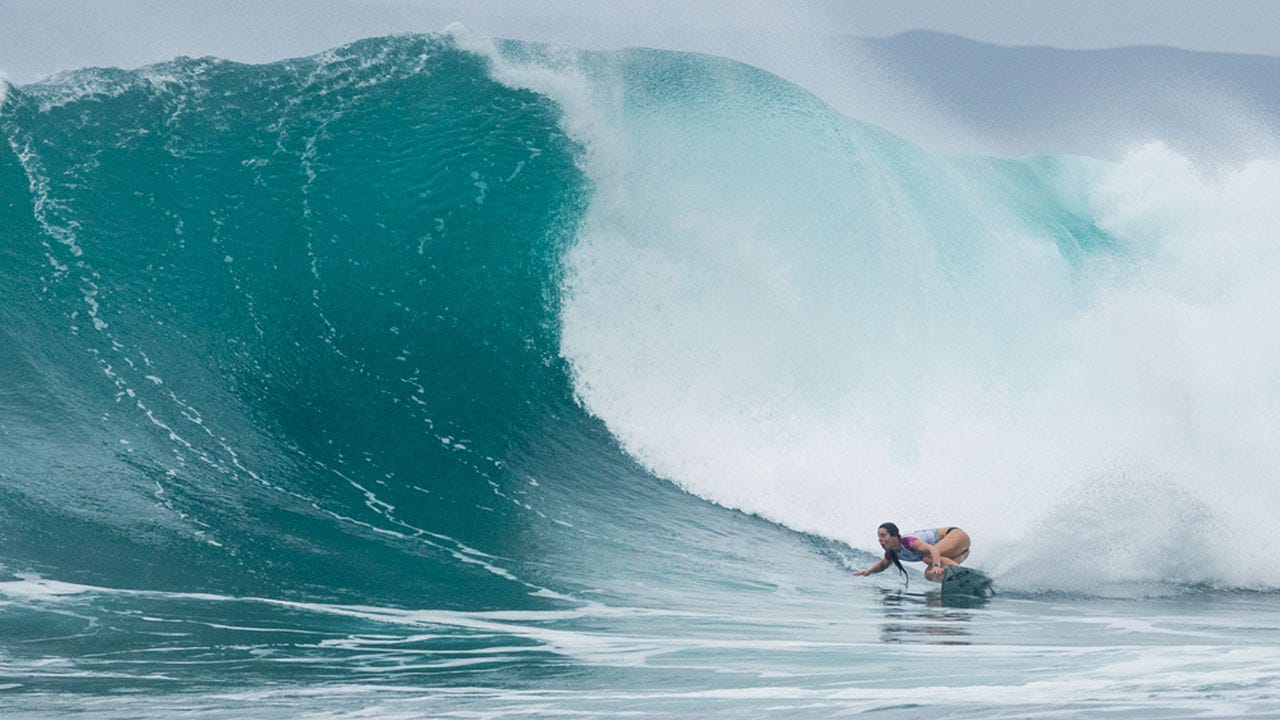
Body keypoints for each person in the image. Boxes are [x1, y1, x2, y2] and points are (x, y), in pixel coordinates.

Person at [854, 522, 971, 583]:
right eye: (879, 537)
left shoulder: (908, 542)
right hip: (959, 552)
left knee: (927, 558)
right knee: (930, 574)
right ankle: (958, 582)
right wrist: (868, 571)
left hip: (956, 536)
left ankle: (967, 576)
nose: (880, 540)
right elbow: (883, 565)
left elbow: (933, 550)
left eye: (883, 536)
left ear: (894, 536)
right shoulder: (893, 552)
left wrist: (936, 565)